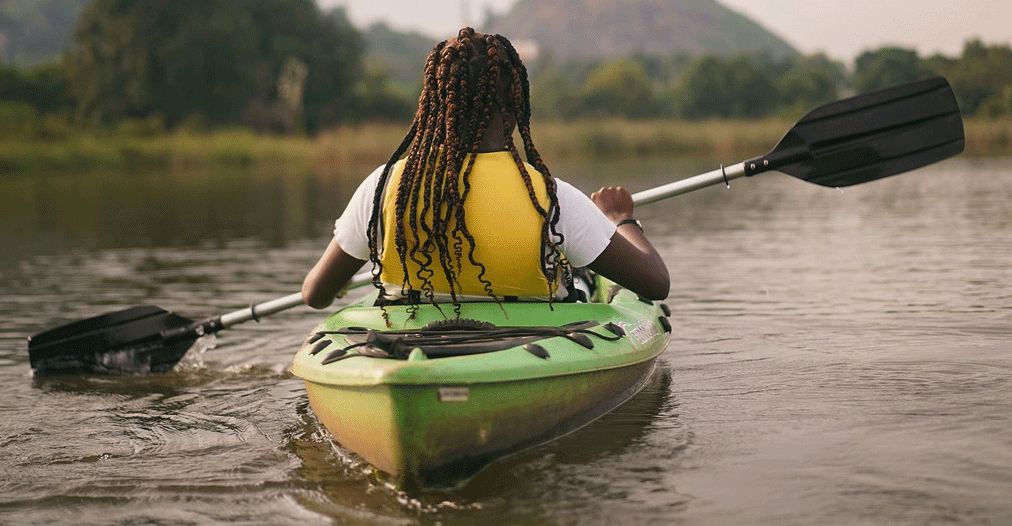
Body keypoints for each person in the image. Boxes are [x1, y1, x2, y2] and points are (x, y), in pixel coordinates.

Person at [303, 28, 668, 310]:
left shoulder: (383, 187)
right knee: (580, 275)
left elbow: (315, 294)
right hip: (530, 347)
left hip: (408, 341)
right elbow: (656, 284)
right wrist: (621, 219)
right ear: (515, 103)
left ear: (434, 103)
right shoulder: (551, 199)